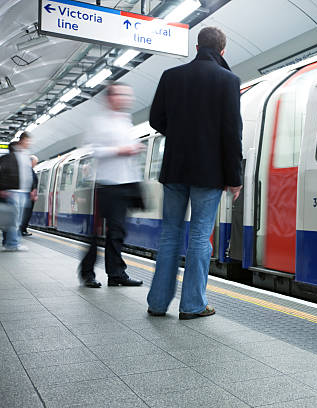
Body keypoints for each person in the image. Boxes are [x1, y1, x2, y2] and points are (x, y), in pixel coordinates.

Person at [146, 27, 243, 319]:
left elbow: (155, 119)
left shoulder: (170, 76)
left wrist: (178, 135)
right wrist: (234, 178)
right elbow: (231, 133)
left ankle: (158, 303)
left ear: (197, 46)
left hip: (175, 168)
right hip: (209, 172)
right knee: (200, 236)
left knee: (169, 235)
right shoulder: (228, 80)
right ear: (222, 51)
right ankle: (192, 305)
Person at [78, 82, 144, 288]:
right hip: (106, 184)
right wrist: (120, 150)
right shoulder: (99, 122)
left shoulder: (127, 121)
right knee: (96, 232)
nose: (127, 99)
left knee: (117, 232)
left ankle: (116, 274)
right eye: (122, 95)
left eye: (128, 95)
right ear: (111, 97)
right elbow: (94, 151)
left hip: (126, 183)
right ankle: (87, 273)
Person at [0, 135, 35, 251]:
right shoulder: (8, 158)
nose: (27, 144)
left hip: (22, 191)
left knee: (16, 219)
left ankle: (10, 242)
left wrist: (31, 189)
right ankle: (13, 244)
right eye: (26, 141)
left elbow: (28, 175)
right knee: (14, 220)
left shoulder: (25, 157)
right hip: (14, 191)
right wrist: (3, 189)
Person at [20, 155, 39, 236]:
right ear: (31, 161)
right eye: (35, 162)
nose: (36, 164)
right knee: (26, 213)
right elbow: (30, 182)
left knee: (27, 213)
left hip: (28, 195)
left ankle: (23, 229)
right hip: (28, 195)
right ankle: (22, 230)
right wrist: (33, 191)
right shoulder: (28, 170)